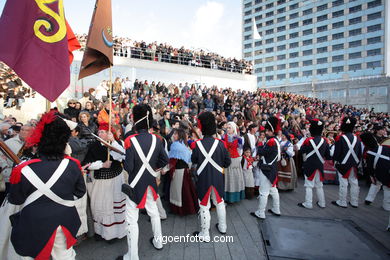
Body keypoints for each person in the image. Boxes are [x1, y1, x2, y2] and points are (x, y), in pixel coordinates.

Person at [7, 110, 86, 259]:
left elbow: (15, 199)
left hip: (32, 224)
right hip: (64, 222)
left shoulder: (23, 169)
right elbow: (79, 192)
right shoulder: (73, 165)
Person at [119, 104, 168, 260]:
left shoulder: (130, 140)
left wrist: (124, 158)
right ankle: (158, 242)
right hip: (150, 181)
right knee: (154, 212)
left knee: (132, 219)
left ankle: (132, 256)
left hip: (135, 183)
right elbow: (164, 160)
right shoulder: (157, 139)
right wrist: (152, 169)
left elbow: (129, 167)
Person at [191, 112, 231, 242]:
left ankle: (205, 233)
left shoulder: (197, 144)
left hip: (204, 178)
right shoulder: (220, 144)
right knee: (219, 202)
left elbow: (194, 159)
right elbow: (227, 162)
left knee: (204, 205)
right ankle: (223, 227)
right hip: (218, 178)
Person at [83, 123, 127, 242]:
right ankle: (102, 232)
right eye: (99, 132)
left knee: (114, 206)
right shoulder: (93, 146)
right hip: (101, 182)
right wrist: (102, 164)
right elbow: (86, 165)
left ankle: (117, 232)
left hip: (116, 179)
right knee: (101, 206)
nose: (100, 134)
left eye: (103, 132)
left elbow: (123, 156)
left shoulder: (117, 144)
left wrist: (112, 142)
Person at [251, 116, 281, 220]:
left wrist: (259, 146)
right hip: (272, 168)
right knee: (273, 190)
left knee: (263, 192)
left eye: (268, 130)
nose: (266, 132)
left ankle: (260, 212)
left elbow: (263, 152)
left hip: (267, 169)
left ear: (272, 131)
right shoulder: (275, 141)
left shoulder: (271, 141)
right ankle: (276, 209)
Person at [360, 132, 390, 231]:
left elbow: (369, 166)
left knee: (376, 183)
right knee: (386, 187)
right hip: (386, 170)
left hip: (376, 170)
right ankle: (386, 205)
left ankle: (369, 199)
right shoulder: (384, 147)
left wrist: (372, 175)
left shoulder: (368, 152)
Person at [298, 119, 331, 209]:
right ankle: (322, 203)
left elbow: (301, 150)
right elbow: (328, 156)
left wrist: (305, 138)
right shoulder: (325, 141)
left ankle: (308, 203)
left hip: (309, 164)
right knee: (319, 185)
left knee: (309, 185)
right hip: (320, 165)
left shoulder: (308, 140)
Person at [331, 117, 362, 208]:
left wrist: (335, 162)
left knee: (343, 183)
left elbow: (337, 153)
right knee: (354, 182)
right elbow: (359, 152)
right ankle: (354, 201)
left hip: (343, 163)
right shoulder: (357, 138)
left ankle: (342, 201)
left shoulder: (340, 138)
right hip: (354, 163)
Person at [168, 128, 198, 215]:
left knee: (178, 191)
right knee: (186, 190)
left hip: (178, 171)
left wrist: (166, 169)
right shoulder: (183, 144)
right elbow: (188, 159)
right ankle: (188, 208)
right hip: (185, 170)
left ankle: (180, 210)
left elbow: (173, 161)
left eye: (175, 134)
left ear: (180, 135)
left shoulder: (175, 145)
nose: (174, 135)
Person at [222, 121, 245, 203]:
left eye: (229, 128)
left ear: (233, 128)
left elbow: (240, 150)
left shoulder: (238, 138)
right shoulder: (223, 137)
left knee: (235, 176)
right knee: (227, 177)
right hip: (226, 159)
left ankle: (235, 196)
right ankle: (227, 196)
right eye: (227, 128)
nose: (228, 129)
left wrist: (238, 158)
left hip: (235, 159)